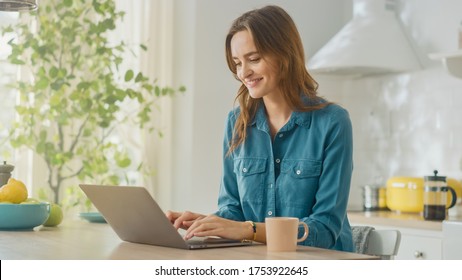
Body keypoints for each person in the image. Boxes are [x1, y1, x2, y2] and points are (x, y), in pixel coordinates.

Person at [166, 5, 354, 252]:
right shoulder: (237, 123)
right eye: (237, 62)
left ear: (285, 55)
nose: (244, 72)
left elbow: (325, 228)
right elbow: (233, 209)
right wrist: (206, 223)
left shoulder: (332, 122)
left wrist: (249, 230)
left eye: (253, 59)